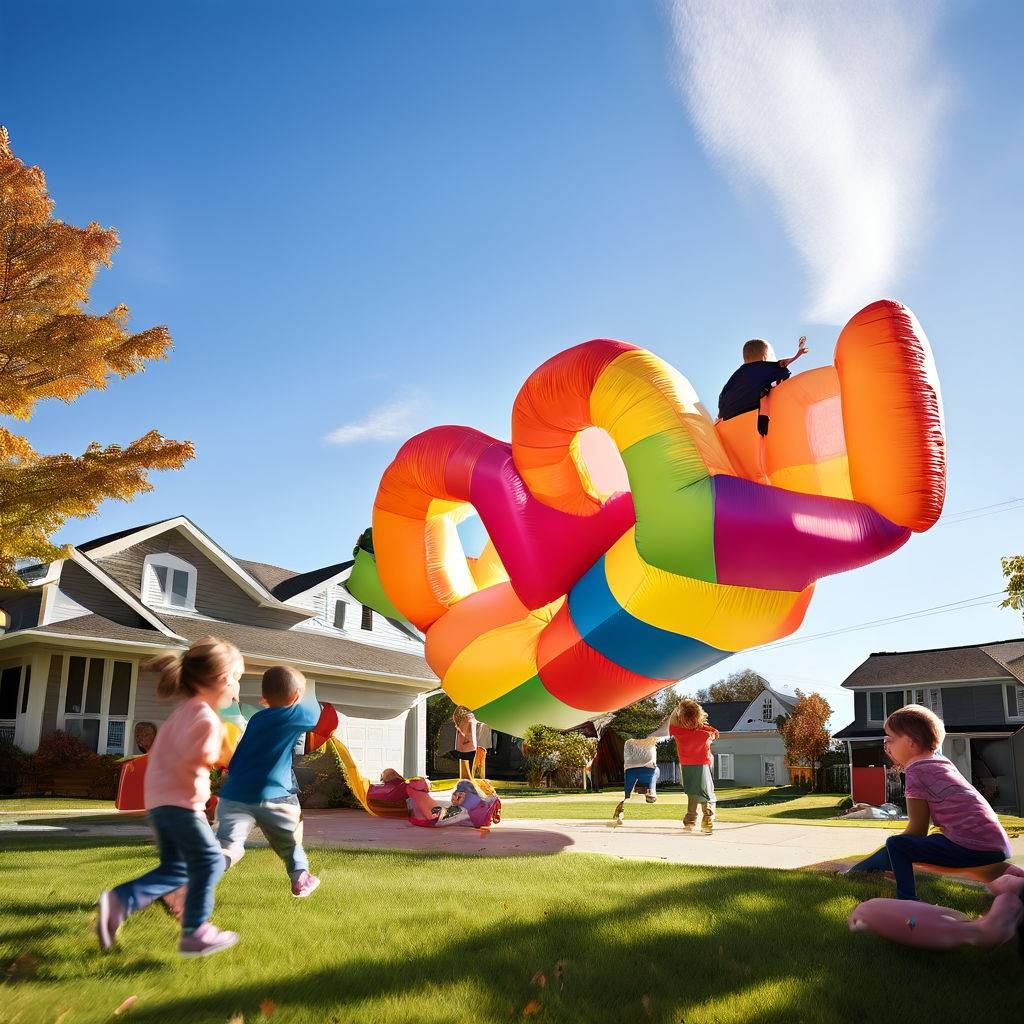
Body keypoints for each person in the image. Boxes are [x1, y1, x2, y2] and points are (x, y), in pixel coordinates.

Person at [97, 637, 243, 958]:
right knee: (206, 861)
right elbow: (203, 753)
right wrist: (225, 752)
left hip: (161, 805)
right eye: (236, 680)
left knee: (176, 869)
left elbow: (160, 756)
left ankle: (120, 901)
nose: (237, 690)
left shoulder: (181, 714)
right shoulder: (206, 719)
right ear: (221, 680)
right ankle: (196, 931)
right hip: (183, 807)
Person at [845, 704, 1011, 901]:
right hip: (997, 845)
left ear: (911, 743)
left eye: (889, 739)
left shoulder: (917, 770)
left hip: (974, 847)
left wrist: (890, 855)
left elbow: (917, 830)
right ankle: (865, 872)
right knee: (909, 845)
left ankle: (906, 898)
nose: (886, 746)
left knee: (897, 844)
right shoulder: (941, 763)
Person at [215, 665, 324, 898]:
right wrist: (307, 693)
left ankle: (205, 871)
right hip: (275, 795)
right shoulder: (294, 714)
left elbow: (240, 755)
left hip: (235, 794)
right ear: (296, 696)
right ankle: (300, 877)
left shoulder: (257, 719)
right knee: (289, 844)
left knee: (229, 844)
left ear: (265, 698)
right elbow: (314, 711)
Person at [718, 336, 809, 421]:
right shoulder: (767, 371)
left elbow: (721, 408)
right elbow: (785, 381)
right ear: (765, 357)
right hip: (757, 421)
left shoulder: (733, 379)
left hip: (733, 425)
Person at [669, 699, 719, 834]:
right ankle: (706, 819)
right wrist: (710, 730)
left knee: (693, 792)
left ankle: (690, 820)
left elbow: (674, 721)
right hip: (702, 763)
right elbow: (710, 733)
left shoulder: (676, 730)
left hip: (686, 765)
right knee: (706, 792)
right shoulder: (703, 734)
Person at [611, 736, 660, 825]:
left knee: (627, 795)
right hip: (648, 770)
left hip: (631, 771)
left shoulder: (628, 741)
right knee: (656, 771)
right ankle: (651, 790)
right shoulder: (651, 738)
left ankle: (623, 805)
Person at [452, 706, 478, 780]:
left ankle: (466, 782)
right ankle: (469, 782)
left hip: (466, 747)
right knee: (470, 768)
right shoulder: (471, 718)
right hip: (470, 746)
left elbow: (464, 731)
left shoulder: (466, 718)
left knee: (465, 768)